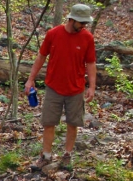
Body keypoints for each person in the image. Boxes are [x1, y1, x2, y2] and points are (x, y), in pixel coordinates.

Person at [25, 3, 96, 171]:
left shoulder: (87, 38)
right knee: (49, 122)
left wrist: (92, 86)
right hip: (54, 87)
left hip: (76, 89)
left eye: (85, 23)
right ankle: (46, 156)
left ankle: (67, 156)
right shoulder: (53, 34)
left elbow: (91, 62)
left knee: (73, 123)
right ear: (72, 19)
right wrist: (30, 79)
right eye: (81, 22)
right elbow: (41, 56)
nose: (84, 26)